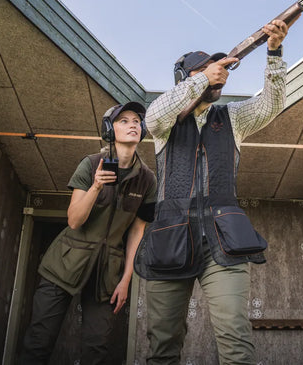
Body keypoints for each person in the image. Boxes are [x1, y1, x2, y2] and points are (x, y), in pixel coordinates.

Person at [134, 20, 289, 364]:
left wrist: (274, 52)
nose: (215, 73)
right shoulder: (165, 124)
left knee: (235, 337)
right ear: (186, 79)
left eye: (216, 66)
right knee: (162, 345)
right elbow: (152, 116)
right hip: (170, 241)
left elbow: (271, 105)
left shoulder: (232, 117)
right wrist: (204, 79)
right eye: (202, 69)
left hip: (225, 241)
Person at [20, 102, 156, 365]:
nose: (133, 126)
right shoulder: (91, 164)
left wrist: (127, 278)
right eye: (124, 121)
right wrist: (95, 186)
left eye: (137, 121)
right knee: (38, 342)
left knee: (96, 349)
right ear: (109, 129)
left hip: (107, 274)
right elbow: (74, 220)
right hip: (63, 265)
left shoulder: (148, 180)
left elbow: (137, 231)